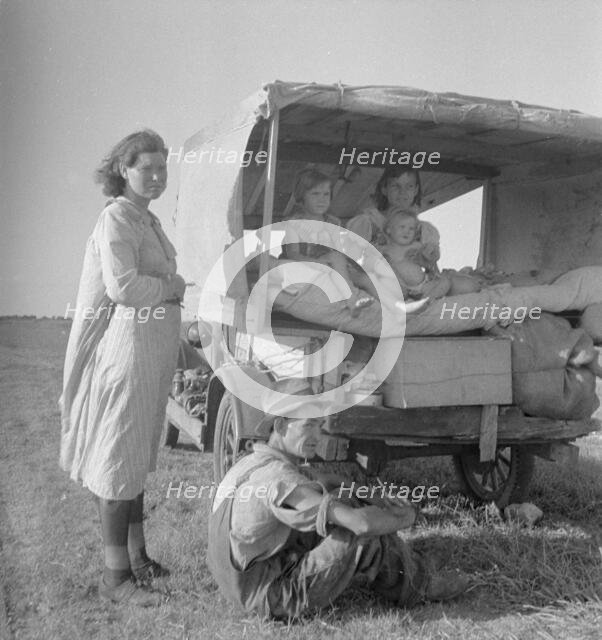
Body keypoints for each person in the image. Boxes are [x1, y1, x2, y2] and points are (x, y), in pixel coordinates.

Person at [207, 378, 471, 620]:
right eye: (308, 424)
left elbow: (326, 479)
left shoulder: (253, 463)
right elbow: (360, 525)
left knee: (344, 503)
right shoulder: (279, 480)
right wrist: (407, 516)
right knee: (357, 533)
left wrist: (371, 495)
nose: (316, 436)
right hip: (273, 597)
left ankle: (410, 563)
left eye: (319, 425)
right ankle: (418, 586)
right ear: (280, 425)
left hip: (243, 581)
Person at [59, 129, 185, 606]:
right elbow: (124, 288)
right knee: (117, 459)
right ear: (123, 171)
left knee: (133, 457)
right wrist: (171, 287)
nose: (156, 176)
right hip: (126, 354)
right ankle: (116, 579)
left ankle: (138, 557)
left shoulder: (146, 220)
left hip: (148, 353)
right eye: (145, 168)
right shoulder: (116, 218)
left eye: (161, 168)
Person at [282, 168, 375, 315]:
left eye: (326, 194)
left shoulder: (333, 221)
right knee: (335, 258)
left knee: (366, 278)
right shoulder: (294, 223)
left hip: (334, 266)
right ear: (301, 197)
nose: (322, 199)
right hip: (309, 265)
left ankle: (390, 310)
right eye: (315, 194)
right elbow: (293, 254)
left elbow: (339, 249)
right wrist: (318, 263)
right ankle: (351, 300)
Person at [380, 213, 452, 300]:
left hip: (423, 284)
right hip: (401, 286)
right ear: (389, 230)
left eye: (411, 229)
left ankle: (426, 300)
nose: (407, 231)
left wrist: (426, 255)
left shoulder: (415, 246)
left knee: (445, 282)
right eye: (402, 227)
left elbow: (432, 258)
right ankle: (409, 300)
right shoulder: (384, 249)